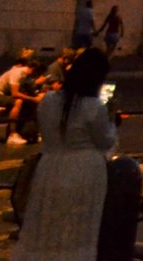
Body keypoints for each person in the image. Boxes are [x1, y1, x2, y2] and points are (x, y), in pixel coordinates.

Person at [12, 49, 118, 261]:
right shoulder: (94, 106)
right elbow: (105, 141)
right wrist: (113, 121)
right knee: (77, 224)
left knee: (46, 220)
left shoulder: (49, 100)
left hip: (50, 166)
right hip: (84, 170)